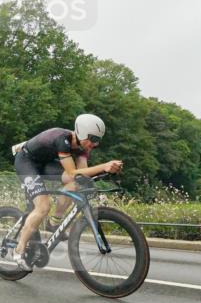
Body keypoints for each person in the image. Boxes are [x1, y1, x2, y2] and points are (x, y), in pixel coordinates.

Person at [11, 114, 123, 272]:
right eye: (92, 139)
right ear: (81, 132)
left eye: (98, 140)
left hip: (45, 164)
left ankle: (54, 222)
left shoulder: (83, 148)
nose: (94, 144)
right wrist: (104, 166)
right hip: (26, 161)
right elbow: (71, 172)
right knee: (43, 207)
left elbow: (81, 174)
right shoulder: (62, 139)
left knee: (75, 183)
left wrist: (106, 172)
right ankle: (18, 250)